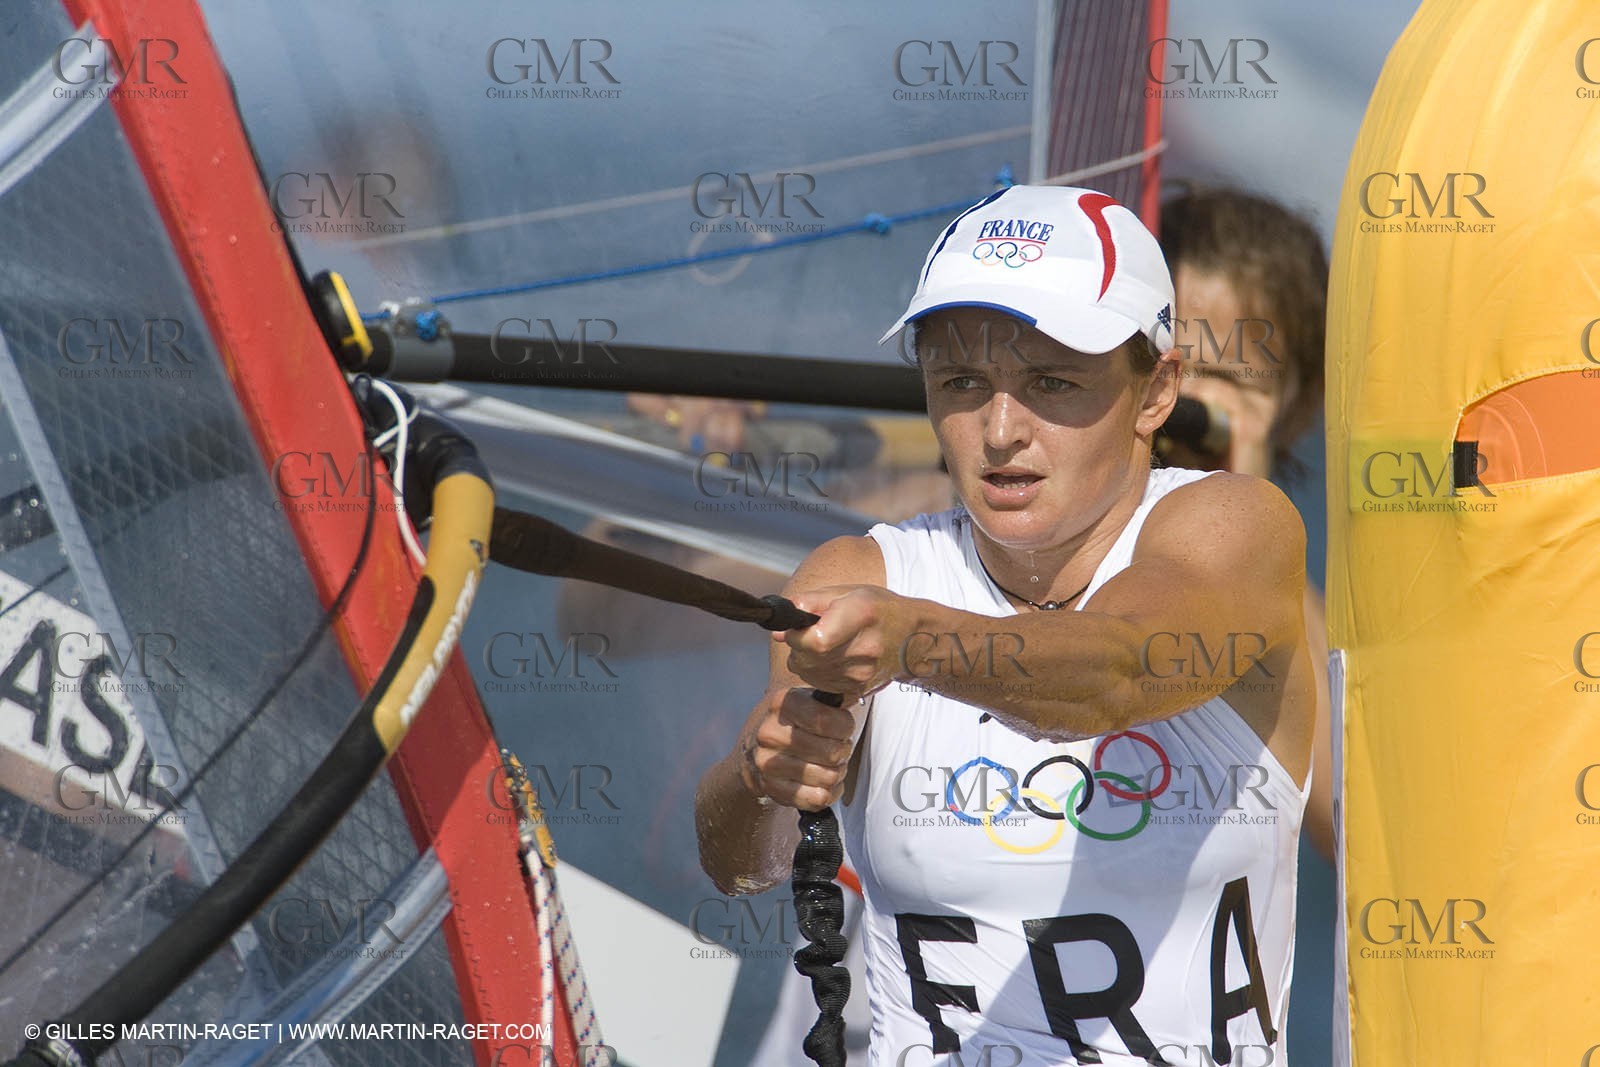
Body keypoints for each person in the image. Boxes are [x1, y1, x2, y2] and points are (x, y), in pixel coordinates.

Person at [695, 185, 1316, 1065]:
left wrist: (913, 644)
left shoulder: (1238, 526)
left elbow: (1117, 672)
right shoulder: (862, 573)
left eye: (1051, 382)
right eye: (961, 382)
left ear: (1158, 390)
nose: (998, 429)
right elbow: (742, 863)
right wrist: (761, 773)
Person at [1156, 185, 1334, 862]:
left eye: (1234, 377)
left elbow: (1352, 823)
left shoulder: (1294, 611)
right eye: (1177, 367)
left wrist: (1248, 518)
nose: (1194, 403)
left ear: (1295, 410)